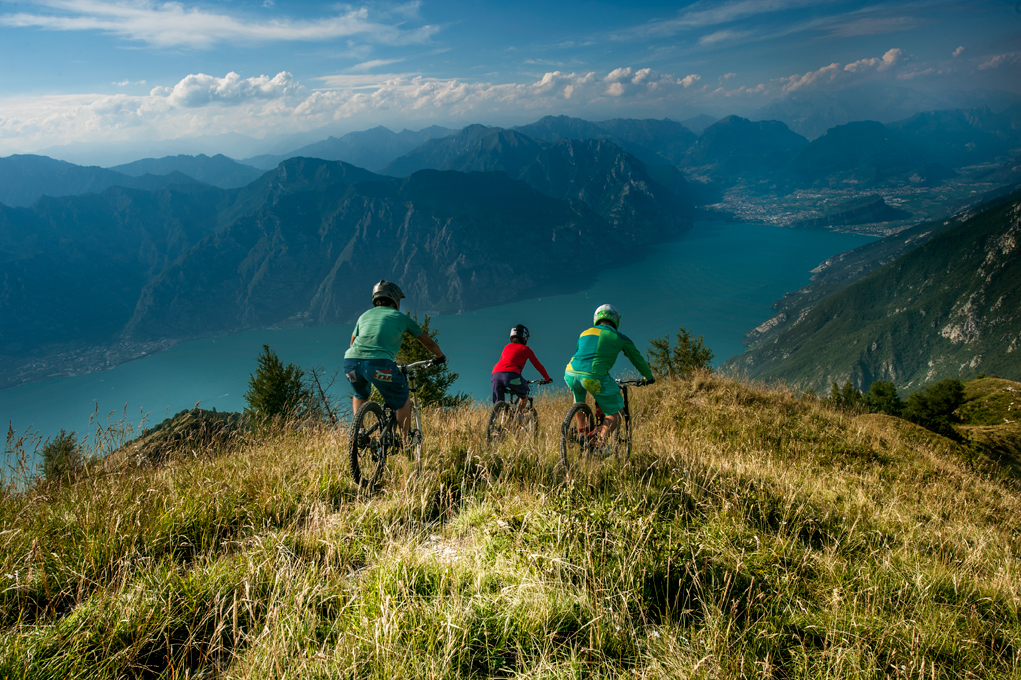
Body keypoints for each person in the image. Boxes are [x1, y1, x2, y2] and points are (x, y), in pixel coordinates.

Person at [343, 280, 446, 438]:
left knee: (360, 394)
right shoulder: (401, 318)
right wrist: (440, 356)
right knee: (402, 397)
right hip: (378, 365)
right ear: (395, 299)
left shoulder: (363, 316)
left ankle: (360, 433)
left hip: (350, 363)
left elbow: (352, 342)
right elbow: (429, 343)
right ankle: (406, 440)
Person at [564, 304, 654, 446]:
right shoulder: (620, 337)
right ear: (615, 320)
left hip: (570, 373)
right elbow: (638, 360)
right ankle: (600, 443)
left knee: (579, 400)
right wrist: (648, 377)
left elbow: (579, 353)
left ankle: (582, 432)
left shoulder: (584, 333)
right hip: (593, 377)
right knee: (616, 411)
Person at [491, 324, 553, 412]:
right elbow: (538, 365)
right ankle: (519, 420)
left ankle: (493, 423)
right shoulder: (526, 349)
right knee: (525, 394)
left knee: (498, 404)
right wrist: (547, 378)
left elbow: (505, 363)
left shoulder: (506, 347)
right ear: (524, 337)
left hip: (495, 375)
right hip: (511, 376)